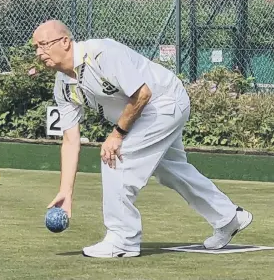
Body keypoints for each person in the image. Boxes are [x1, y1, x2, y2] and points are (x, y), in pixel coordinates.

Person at [32, 20, 253, 258]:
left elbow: (142, 94)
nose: (38, 53)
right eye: (36, 47)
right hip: (144, 115)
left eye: (43, 45)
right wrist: (66, 192)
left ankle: (123, 239)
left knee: (114, 158)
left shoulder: (101, 54)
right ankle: (228, 217)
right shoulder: (63, 85)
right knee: (170, 171)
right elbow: (70, 141)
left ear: (64, 42)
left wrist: (117, 135)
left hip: (164, 102)